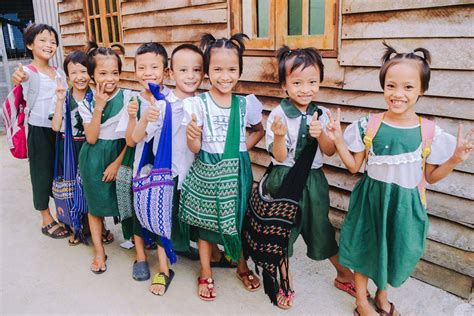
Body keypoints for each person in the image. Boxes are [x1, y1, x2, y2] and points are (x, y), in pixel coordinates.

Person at [329, 43, 473, 316]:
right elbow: (353, 167)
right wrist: (338, 140)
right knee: (364, 249)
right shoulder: (369, 126)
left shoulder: (428, 132)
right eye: (391, 86)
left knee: (395, 251)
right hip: (371, 201)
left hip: (406, 205)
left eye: (408, 87)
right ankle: (361, 302)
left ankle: (382, 296)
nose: (398, 94)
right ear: (383, 87)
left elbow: (430, 176)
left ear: (422, 90)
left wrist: (454, 159)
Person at [264, 46, 355, 309]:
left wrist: (323, 135)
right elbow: (279, 157)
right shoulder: (279, 115)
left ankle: (343, 274)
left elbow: (327, 151)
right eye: (297, 83)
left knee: (320, 227)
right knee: (282, 232)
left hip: (314, 181)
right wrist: (280, 136)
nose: (306, 89)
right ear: (284, 84)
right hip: (284, 179)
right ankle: (285, 280)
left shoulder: (322, 113)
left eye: (312, 82)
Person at [180, 33, 265, 301]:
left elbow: (259, 130)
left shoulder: (245, 104)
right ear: (207, 71)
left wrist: (239, 152)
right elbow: (194, 148)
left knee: (238, 220)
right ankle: (205, 271)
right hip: (207, 168)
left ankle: (241, 266)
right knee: (206, 224)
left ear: (240, 70)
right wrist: (193, 136)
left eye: (232, 69)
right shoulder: (197, 103)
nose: (225, 76)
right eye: (217, 69)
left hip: (237, 171)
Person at [128, 43, 204, 295]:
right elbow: (136, 138)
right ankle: (163, 269)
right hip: (166, 175)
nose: (190, 76)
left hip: (192, 173)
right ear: (171, 73)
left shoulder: (203, 103)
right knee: (162, 221)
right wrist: (143, 118)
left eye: (196, 70)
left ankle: (186, 249)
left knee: (182, 220)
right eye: (183, 70)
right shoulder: (163, 104)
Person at [11, 23, 69, 239]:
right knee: (41, 173)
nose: (49, 45)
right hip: (38, 130)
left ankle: (62, 211)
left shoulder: (58, 71)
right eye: (43, 40)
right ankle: (45, 218)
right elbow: (19, 77)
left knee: (60, 171)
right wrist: (17, 77)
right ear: (29, 44)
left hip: (59, 128)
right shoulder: (28, 71)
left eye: (53, 42)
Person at [78, 42, 130, 274]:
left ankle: (136, 240)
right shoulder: (86, 102)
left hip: (120, 154)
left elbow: (131, 139)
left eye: (115, 73)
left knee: (126, 201)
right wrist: (98, 106)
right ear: (92, 75)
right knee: (96, 207)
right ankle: (99, 251)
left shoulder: (129, 98)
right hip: (94, 158)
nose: (110, 78)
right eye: (102, 73)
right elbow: (90, 138)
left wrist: (118, 163)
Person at [50, 50, 92, 245]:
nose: (79, 77)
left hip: (90, 147)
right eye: (73, 72)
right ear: (67, 75)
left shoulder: (95, 96)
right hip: (70, 147)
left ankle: (96, 227)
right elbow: (56, 126)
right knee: (73, 188)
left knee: (91, 188)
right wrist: (59, 101)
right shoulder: (64, 96)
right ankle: (76, 226)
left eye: (83, 71)